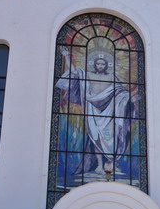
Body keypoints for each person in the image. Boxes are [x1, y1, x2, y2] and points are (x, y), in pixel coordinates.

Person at [56, 46, 135, 176]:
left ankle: (112, 164)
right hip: (92, 110)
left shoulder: (111, 77)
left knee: (111, 137)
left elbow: (120, 92)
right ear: (94, 64)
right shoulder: (88, 75)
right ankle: (99, 165)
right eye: (98, 63)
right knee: (96, 138)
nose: (100, 66)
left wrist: (130, 98)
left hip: (109, 111)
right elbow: (74, 72)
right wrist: (67, 56)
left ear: (106, 65)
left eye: (102, 64)